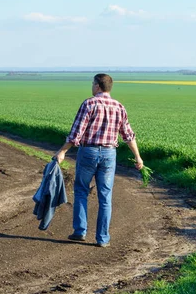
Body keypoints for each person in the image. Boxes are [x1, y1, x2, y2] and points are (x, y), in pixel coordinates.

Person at [54, 74, 143, 247]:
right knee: (105, 195)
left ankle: (80, 231)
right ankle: (102, 238)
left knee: (81, 190)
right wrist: (138, 157)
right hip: (110, 154)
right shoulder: (119, 106)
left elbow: (76, 133)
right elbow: (128, 135)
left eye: (92, 84)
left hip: (88, 152)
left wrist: (62, 151)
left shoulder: (89, 103)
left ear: (97, 86)